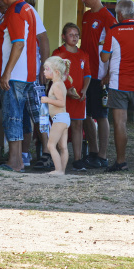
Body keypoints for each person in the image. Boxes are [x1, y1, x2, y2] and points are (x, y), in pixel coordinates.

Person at [100, 0, 134, 171]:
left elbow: (104, 57)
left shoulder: (114, 31)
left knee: (120, 123)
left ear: (120, 14)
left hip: (119, 84)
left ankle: (121, 161)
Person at [0, 0, 38, 172]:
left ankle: (14, 162)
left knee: (12, 118)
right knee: (18, 117)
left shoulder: (16, 10)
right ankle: (17, 160)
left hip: (16, 75)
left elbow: (18, 43)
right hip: (24, 74)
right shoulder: (27, 8)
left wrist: (6, 73)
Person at [78, 0, 116, 169]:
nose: (83, 0)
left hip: (100, 75)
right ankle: (92, 152)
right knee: (85, 113)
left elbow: (115, 49)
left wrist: (109, 73)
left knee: (101, 115)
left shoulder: (108, 18)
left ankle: (102, 155)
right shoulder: (85, 16)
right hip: (85, 73)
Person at [52, 23, 91, 169]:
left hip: (78, 96)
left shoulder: (83, 54)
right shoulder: (58, 53)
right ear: (63, 36)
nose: (74, 38)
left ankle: (78, 159)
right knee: (60, 126)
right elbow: (54, 75)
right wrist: (65, 90)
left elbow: (87, 75)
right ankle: (57, 158)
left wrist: (85, 90)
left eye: (76, 35)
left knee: (77, 125)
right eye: (71, 35)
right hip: (62, 95)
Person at [19, 0, 50, 168]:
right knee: (27, 116)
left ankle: (48, 152)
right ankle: (27, 153)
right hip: (24, 75)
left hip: (35, 75)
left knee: (41, 115)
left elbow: (44, 41)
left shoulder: (32, 14)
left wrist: (43, 69)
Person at [40, 56, 70, 175]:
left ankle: (58, 170)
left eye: (47, 69)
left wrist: (48, 100)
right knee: (63, 146)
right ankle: (62, 170)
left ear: (56, 72)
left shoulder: (56, 85)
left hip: (59, 119)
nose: (44, 72)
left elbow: (61, 102)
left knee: (51, 145)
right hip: (63, 118)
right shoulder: (60, 83)